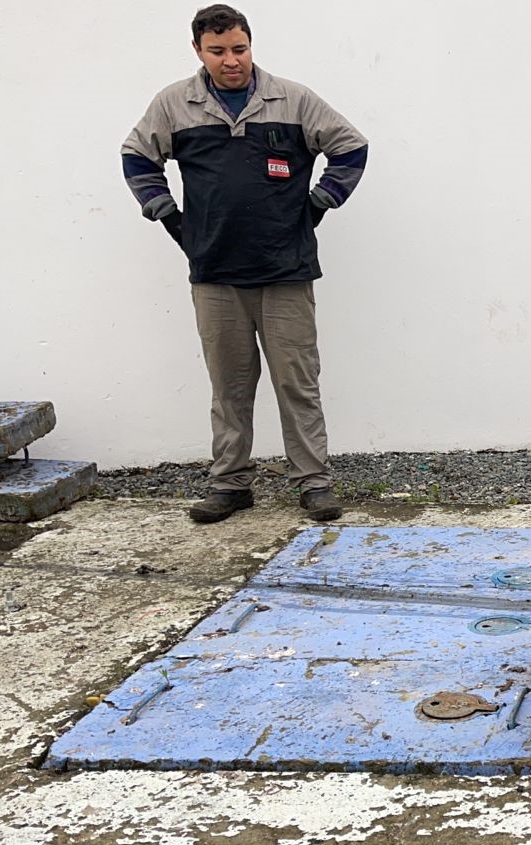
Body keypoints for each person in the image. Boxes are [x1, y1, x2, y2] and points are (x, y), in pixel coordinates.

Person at [121, 4, 368, 524]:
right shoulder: (174, 104)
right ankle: (230, 484)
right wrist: (169, 217)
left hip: (286, 269)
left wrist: (318, 204)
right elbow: (137, 155)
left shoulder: (293, 99)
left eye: (239, 48)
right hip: (214, 271)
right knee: (229, 386)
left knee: (297, 381)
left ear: (250, 44)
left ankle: (314, 482)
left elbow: (350, 147)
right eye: (218, 51)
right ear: (198, 51)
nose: (230, 61)